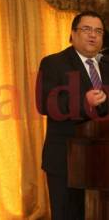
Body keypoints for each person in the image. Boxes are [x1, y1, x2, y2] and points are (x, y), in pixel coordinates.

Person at [36, 11, 109, 220]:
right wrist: (83, 102)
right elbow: (44, 103)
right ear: (73, 33)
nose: (92, 35)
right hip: (65, 159)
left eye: (98, 31)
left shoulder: (106, 65)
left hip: (103, 161)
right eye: (86, 29)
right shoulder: (53, 63)